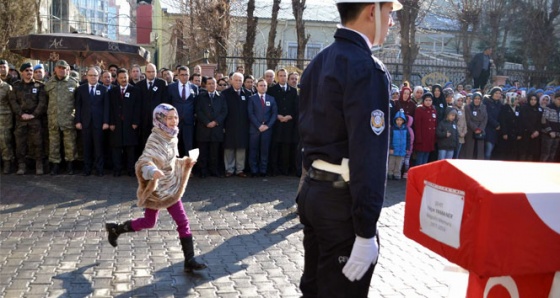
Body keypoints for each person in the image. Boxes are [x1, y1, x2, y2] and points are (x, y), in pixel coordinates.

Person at [298, 0, 401, 296]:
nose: (391, 22)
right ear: (372, 11)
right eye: (388, 13)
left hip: (314, 194)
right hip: (341, 205)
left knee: (314, 289)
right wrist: (366, 231)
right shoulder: (367, 68)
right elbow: (369, 155)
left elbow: (304, 135)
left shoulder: (320, 61)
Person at [104, 103, 207, 273]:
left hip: (171, 188)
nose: (173, 121)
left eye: (175, 117)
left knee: (183, 221)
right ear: (159, 119)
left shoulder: (172, 136)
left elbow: (171, 160)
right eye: (168, 118)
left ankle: (189, 260)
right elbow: (144, 161)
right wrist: (152, 171)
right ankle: (116, 229)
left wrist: (185, 162)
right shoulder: (155, 138)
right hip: (157, 189)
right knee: (149, 222)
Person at [8, 63, 47, 175]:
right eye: (26, 70)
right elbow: (13, 102)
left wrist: (34, 115)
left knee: (38, 143)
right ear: (22, 72)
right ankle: (21, 166)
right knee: (20, 143)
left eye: (31, 70)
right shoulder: (15, 86)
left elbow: (42, 103)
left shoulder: (39, 86)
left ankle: (39, 165)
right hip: (21, 119)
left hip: (35, 119)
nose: (29, 72)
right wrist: (21, 114)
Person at [44, 60, 80, 175]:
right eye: (59, 68)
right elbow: (45, 100)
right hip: (53, 118)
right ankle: (55, 165)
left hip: (68, 118)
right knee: (54, 144)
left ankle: (70, 165)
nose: (61, 70)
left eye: (64, 68)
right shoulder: (49, 84)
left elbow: (78, 102)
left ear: (68, 70)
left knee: (70, 144)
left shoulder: (73, 83)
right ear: (55, 69)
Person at [75, 67, 110, 176]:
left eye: (95, 75)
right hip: (85, 123)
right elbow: (78, 106)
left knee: (98, 148)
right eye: (90, 75)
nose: (93, 77)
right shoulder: (81, 89)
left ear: (98, 77)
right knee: (86, 147)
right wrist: (78, 121)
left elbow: (106, 107)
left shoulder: (104, 89)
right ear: (87, 76)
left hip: (99, 124)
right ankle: (87, 169)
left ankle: (99, 169)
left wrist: (106, 122)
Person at [108, 68, 141, 177]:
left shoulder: (135, 90)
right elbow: (110, 108)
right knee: (116, 148)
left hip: (130, 124)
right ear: (117, 78)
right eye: (121, 78)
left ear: (128, 77)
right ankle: (117, 170)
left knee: (130, 149)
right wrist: (111, 122)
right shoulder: (112, 91)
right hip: (116, 124)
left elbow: (138, 108)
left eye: (125, 78)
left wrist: (135, 121)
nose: (123, 80)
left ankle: (131, 170)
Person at [267, 68, 298, 176]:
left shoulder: (293, 91)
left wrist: (291, 116)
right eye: (280, 75)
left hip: (289, 123)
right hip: (276, 122)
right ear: (277, 77)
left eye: (284, 75)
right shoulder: (271, 90)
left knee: (286, 147)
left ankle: (285, 169)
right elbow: (269, 106)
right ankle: (274, 169)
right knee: (275, 146)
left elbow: (296, 107)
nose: (283, 77)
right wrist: (277, 115)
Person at [195, 77, 227, 178]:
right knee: (203, 152)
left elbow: (224, 111)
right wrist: (207, 122)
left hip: (216, 129)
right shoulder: (200, 96)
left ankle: (214, 170)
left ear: (216, 85)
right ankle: (203, 171)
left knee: (214, 152)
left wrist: (216, 122)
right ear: (206, 85)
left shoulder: (221, 97)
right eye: (209, 83)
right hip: (203, 128)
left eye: (213, 83)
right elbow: (198, 111)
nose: (211, 85)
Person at [222, 72, 250, 177]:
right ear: (231, 81)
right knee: (229, 147)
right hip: (229, 124)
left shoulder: (247, 93)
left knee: (241, 148)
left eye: (240, 80)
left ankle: (240, 169)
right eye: (236, 80)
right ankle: (229, 169)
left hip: (243, 125)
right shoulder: (225, 94)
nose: (238, 82)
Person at [248, 79, 277, 177]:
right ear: (256, 87)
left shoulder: (271, 99)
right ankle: (254, 170)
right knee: (253, 150)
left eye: (264, 85)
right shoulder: (251, 99)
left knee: (265, 150)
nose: (263, 87)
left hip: (267, 130)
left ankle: (263, 170)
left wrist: (267, 126)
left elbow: (274, 114)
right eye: (261, 85)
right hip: (255, 129)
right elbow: (250, 114)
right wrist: (258, 125)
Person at [138, 63, 169, 154]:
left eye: (153, 72)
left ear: (156, 72)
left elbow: (165, 102)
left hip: (158, 120)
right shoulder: (139, 85)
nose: (151, 73)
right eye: (149, 72)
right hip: (144, 120)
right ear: (145, 72)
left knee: (158, 142)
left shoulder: (162, 83)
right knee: (144, 142)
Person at [169, 66, 198, 156]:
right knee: (174, 145)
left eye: (186, 75)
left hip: (189, 122)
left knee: (189, 146)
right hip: (174, 122)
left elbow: (196, 104)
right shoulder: (171, 87)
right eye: (182, 75)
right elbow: (168, 104)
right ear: (178, 75)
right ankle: (174, 167)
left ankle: (188, 167)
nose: (184, 77)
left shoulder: (194, 87)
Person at [413, 92, 437, 165]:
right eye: (426, 100)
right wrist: (418, 138)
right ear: (423, 101)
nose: (428, 102)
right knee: (420, 156)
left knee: (426, 156)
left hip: (430, 138)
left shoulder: (433, 110)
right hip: (423, 137)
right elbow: (417, 125)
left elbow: (435, 124)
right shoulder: (419, 109)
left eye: (430, 100)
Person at [463, 92, 488, 159]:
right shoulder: (467, 107)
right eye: (475, 99)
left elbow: (485, 119)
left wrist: (480, 129)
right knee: (470, 150)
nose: (477, 100)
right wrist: (475, 128)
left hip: (480, 131)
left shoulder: (484, 107)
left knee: (479, 150)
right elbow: (468, 120)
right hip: (471, 131)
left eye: (479, 99)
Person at [518, 94, 542, 161]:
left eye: (535, 100)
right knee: (523, 152)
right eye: (531, 99)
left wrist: (537, 131)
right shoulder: (524, 108)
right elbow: (524, 120)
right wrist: (533, 131)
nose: (533, 101)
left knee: (532, 153)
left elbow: (540, 121)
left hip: (535, 135)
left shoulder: (539, 109)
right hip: (525, 133)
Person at [388, 109, 410, 180]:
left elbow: (408, 139)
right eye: (397, 120)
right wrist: (390, 147)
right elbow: (390, 138)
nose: (399, 122)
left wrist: (407, 148)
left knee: (399, 163)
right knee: (391, 162)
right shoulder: (392, 129)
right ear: (395, 120)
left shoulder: (406, 129)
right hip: (394, 149)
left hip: (402, 149)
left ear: (403, 121)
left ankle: (397, 173)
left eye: (400, 120)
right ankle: (390, 173)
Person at [483, 87, 503, 159]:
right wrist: (496, 124)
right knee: (488, 151)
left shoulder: (500, 104)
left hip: (497, 131)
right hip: (488, 129)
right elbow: (487, 115)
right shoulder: (487, 102)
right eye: (496, 93)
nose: (497, 95)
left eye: (499, 93)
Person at [540, 92, 560, 162]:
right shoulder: (549, 107)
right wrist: (550, 131)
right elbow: (544, 120)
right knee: (546, 154)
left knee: (553, 154)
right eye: (558, 99)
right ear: (554, 99)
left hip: (557, 135)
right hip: (548, 135)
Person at [0, 76, 14, 174]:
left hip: (4, 119)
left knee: (5, 141)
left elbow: (12, 103)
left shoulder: (7, 87)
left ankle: (7, 163)